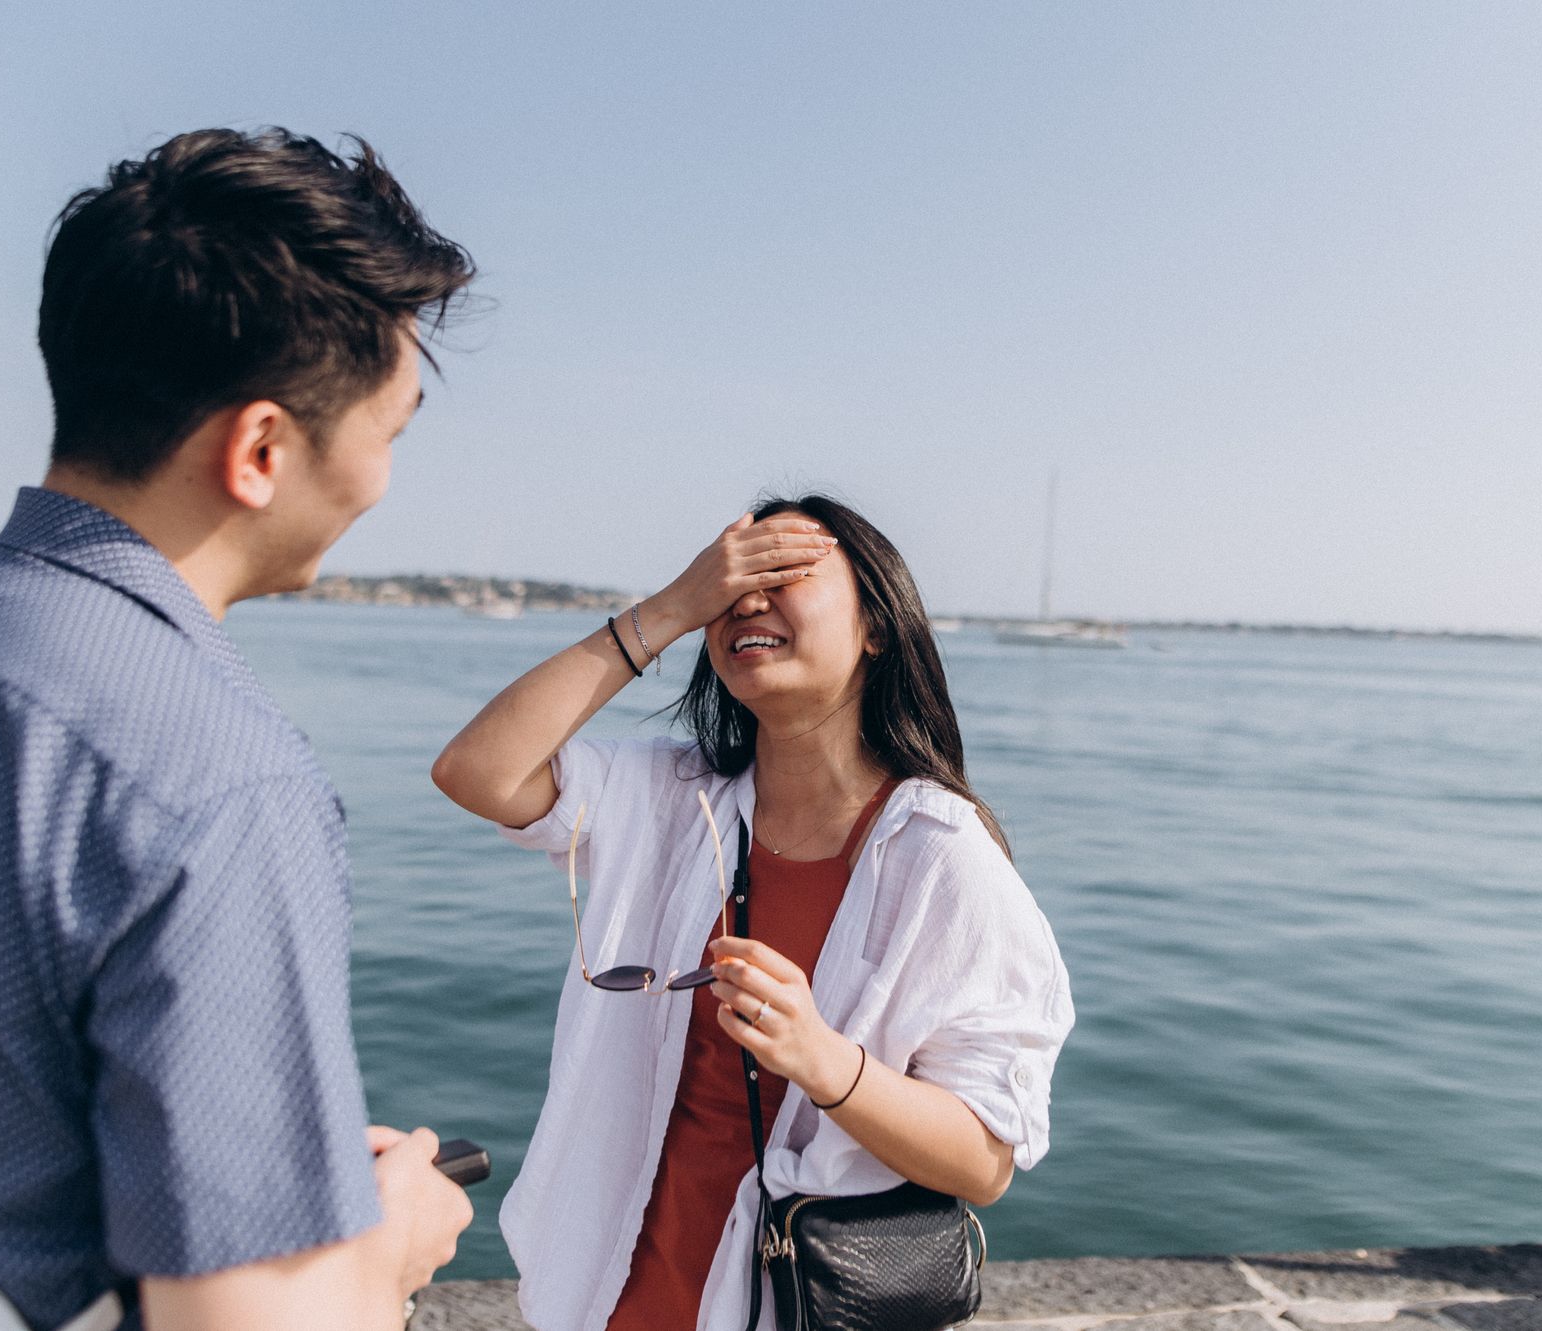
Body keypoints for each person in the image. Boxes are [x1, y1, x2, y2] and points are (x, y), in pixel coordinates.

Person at [0, 128, 476, 1331]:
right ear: (262, 449)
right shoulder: (222, 772)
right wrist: (385, 1250)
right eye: (392, 430)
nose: (383, 476)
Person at [432, 495, 1075, 1330]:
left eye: (782, 574)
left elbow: (985, 1160)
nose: (745, 602)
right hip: (609, 1289)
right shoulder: (672, 799)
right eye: (728, 588)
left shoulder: (941, 856)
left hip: (795, 1303)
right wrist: (668, 608)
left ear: (877, 625)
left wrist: (822, 1059)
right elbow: (476, 771)